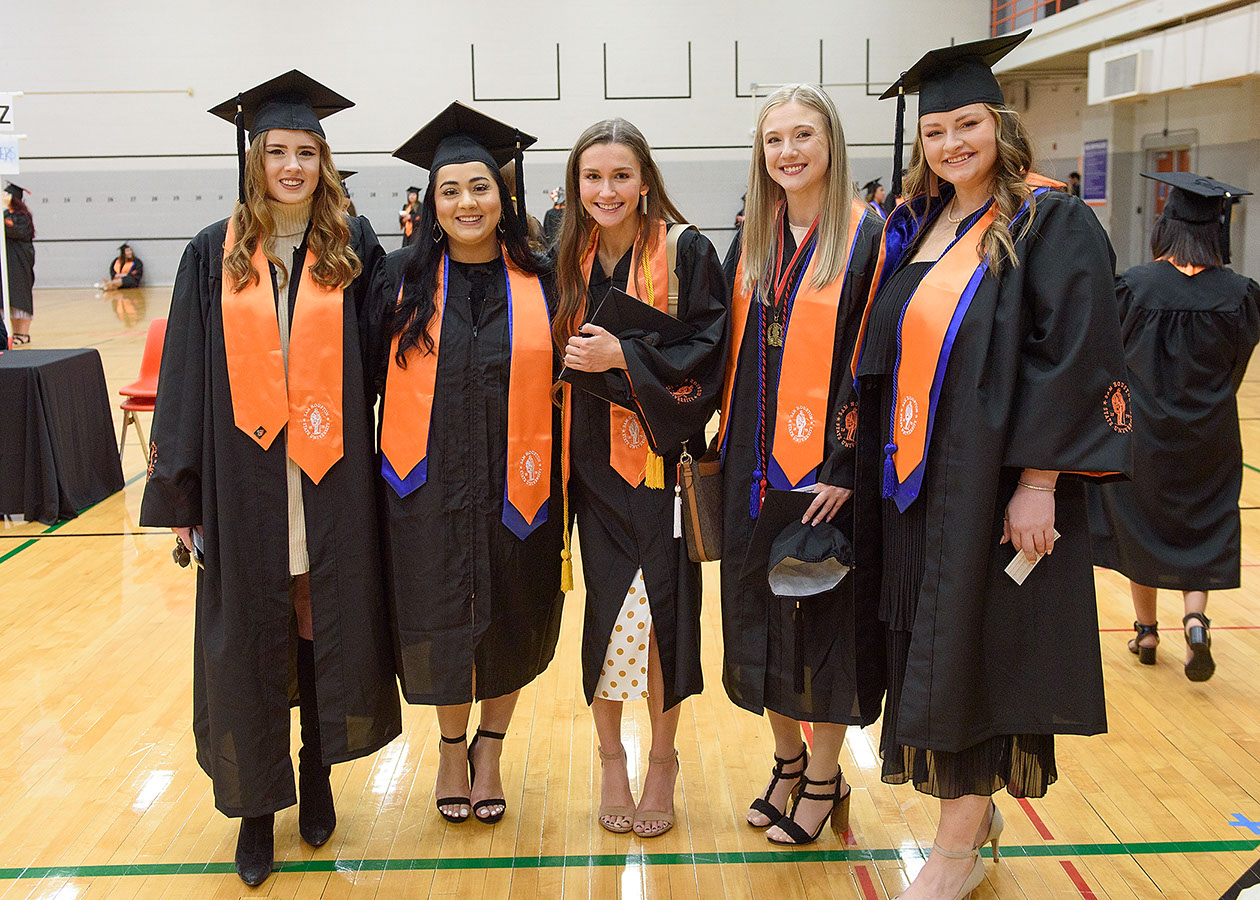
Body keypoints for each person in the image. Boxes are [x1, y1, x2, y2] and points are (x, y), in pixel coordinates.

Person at [844, 33, 1130, 898]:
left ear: (1000, 126)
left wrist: (1039, 482)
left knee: (971, 656)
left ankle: (955, 850)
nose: (950, 143)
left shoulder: (1049, 221)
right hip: (916, 486)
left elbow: (1073, 354)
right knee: (930, 651)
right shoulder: (921, 223)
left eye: (966, 124)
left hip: (990, 488)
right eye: (934, 132)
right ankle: (972, 822)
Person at [139, 71, 401, 887]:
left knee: (320, 623)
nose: (293, 166)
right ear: (254, 160)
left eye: (307, 152)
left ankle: (316, 777)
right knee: (250, 638)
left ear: (325, 161)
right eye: (278, 151)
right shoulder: (210, 252)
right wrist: (181, 493)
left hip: (328, 476)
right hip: (242, 478)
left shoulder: (352, 247)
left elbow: (386, 355)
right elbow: (183, 376)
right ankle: (257, 808)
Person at [368, 102, 563, 827]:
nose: (466, 203)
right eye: (450, 190)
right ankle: (453, 750)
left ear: (503, 196)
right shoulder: (396, 282)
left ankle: (491, 748)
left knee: (511, 614)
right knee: (439, 617)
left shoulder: (544, 280)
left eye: (480, 187)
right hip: (425, 490)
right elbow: (360, 383)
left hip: (521, 486)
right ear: (431, 202)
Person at [718, 83, 885, 846]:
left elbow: (880, 364)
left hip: (824, 475)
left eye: (802, 135)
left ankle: (823, 776)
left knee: (822, 623)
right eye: (773, 139)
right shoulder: (754, 239)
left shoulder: (868, 237)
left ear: (831, 143)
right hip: (752, 471)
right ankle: (787, 762)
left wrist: (848, 465)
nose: (787, 151)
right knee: (757, 617)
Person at [553, 118, 727, 838]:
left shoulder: (687, 252)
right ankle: (610, 760)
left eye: (621, 175)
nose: (607, 190)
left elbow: (711, 356)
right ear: (576, 185)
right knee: (606, 619)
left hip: (661, 469)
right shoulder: (564, 258)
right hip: (592, 472)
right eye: (592, 177)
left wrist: (624, 357)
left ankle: (662, 760)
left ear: (645, 181)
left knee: (662, 620)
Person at [1089, 172, 1259, 683]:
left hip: (1143, 434)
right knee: (1202, 523)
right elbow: (1238, 364)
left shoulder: (1134, 287)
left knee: (1140, 525)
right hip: (1211, 434)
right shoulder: (1240, 293)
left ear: (1165, 227)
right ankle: (1195, 622)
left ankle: (1145, 631)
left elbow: (1110, 357)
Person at [3, 182, 36, 345]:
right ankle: (9, 333)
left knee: (20, 296)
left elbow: (15, 230)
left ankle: (22, 334)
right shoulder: (5, 214)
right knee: (6, 297)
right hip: (6, 262)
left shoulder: (22, 217)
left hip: (19, 262)